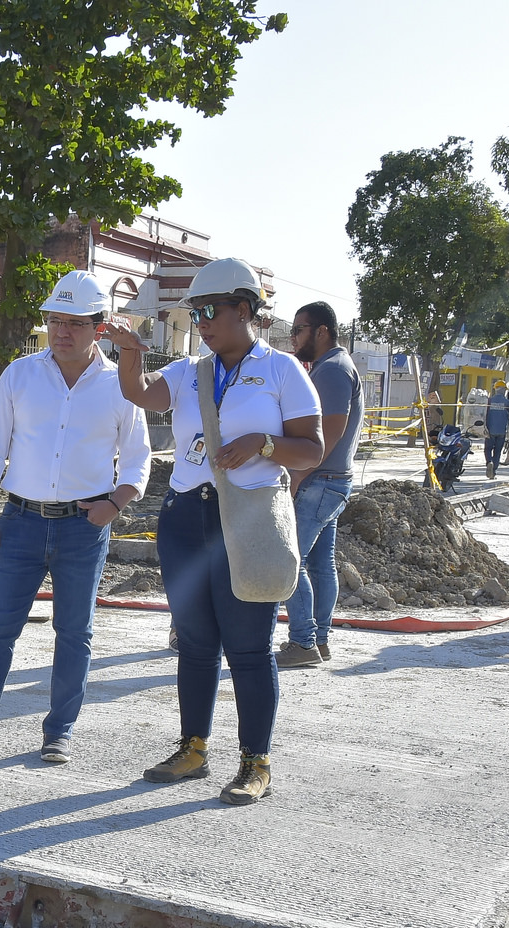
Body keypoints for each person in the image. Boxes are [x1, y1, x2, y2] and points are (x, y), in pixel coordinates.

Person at [112, 258, 323, 804]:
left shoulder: (282, 370)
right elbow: (140, 392)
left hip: (248, 519)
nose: (202, 322)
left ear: (245, 309)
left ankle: (256, 762)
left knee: (249, 647)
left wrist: (262, 444)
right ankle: (193, 748)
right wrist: (130, 351)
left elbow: (312, 449)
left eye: (211, 311)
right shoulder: (190, 371)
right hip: (186, 517)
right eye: (197, 313)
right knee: (195, 643)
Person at [0, 270, 150, 766]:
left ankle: (59, 732)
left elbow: (138, 460)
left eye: (74, 323)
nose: (61, 332)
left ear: (99, 327)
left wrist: (113, 506)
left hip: (84, 528)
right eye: (55, 320)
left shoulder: (120, 385)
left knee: (74, 634)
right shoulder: (20, 375)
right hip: (20, 523)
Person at [279, 301, 362, 669]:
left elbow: (329, 432)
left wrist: (297, 476)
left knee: (288, 560)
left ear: (322, 331)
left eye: (299, 330)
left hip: (319, 481)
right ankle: (320, 640)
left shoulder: (332, 370)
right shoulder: (336, 366)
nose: (294, 338)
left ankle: (303, 642)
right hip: (332, 481)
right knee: (320, 564)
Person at [483, 382, 509, 475]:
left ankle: (489, 462)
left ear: (495, 389)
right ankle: (494, 470)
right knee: (497, 451)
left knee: (488, 449)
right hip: (502, 431)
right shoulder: (507, 403)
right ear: (504, 390)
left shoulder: (489, 401)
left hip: (490, 430)